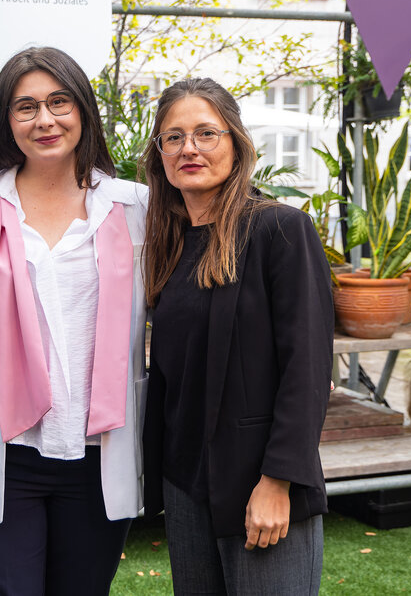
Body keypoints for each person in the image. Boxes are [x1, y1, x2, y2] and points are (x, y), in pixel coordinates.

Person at [0, 46, 149, 595]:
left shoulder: (135, 207)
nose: (45, 119)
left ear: (84, 110)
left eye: (59, 102)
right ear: (6, 119)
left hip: (99, 451)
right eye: (26, 107)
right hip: (0, 452)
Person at [141, 78, 333, 595]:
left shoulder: (280, 230)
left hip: (259, 481)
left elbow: (307, 368)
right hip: (185, 484)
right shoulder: (168, 243)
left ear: (236, 143)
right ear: (159, 153)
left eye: (206, 133)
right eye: (174, 137)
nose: (189, 148)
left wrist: (278, 481)